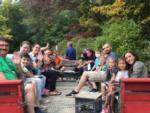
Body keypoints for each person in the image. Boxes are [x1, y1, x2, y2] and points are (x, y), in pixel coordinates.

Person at [0, 36, 36, 113]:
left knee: (32, 84)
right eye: (1, 45)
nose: (4, 47)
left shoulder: (8, 60)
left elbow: (20, 73)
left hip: (16, 87)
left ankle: (33, 108)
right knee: (29, 87)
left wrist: (18, 64)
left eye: (6, 46)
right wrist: (14, 89)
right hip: (8, 91)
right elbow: (3, 82)